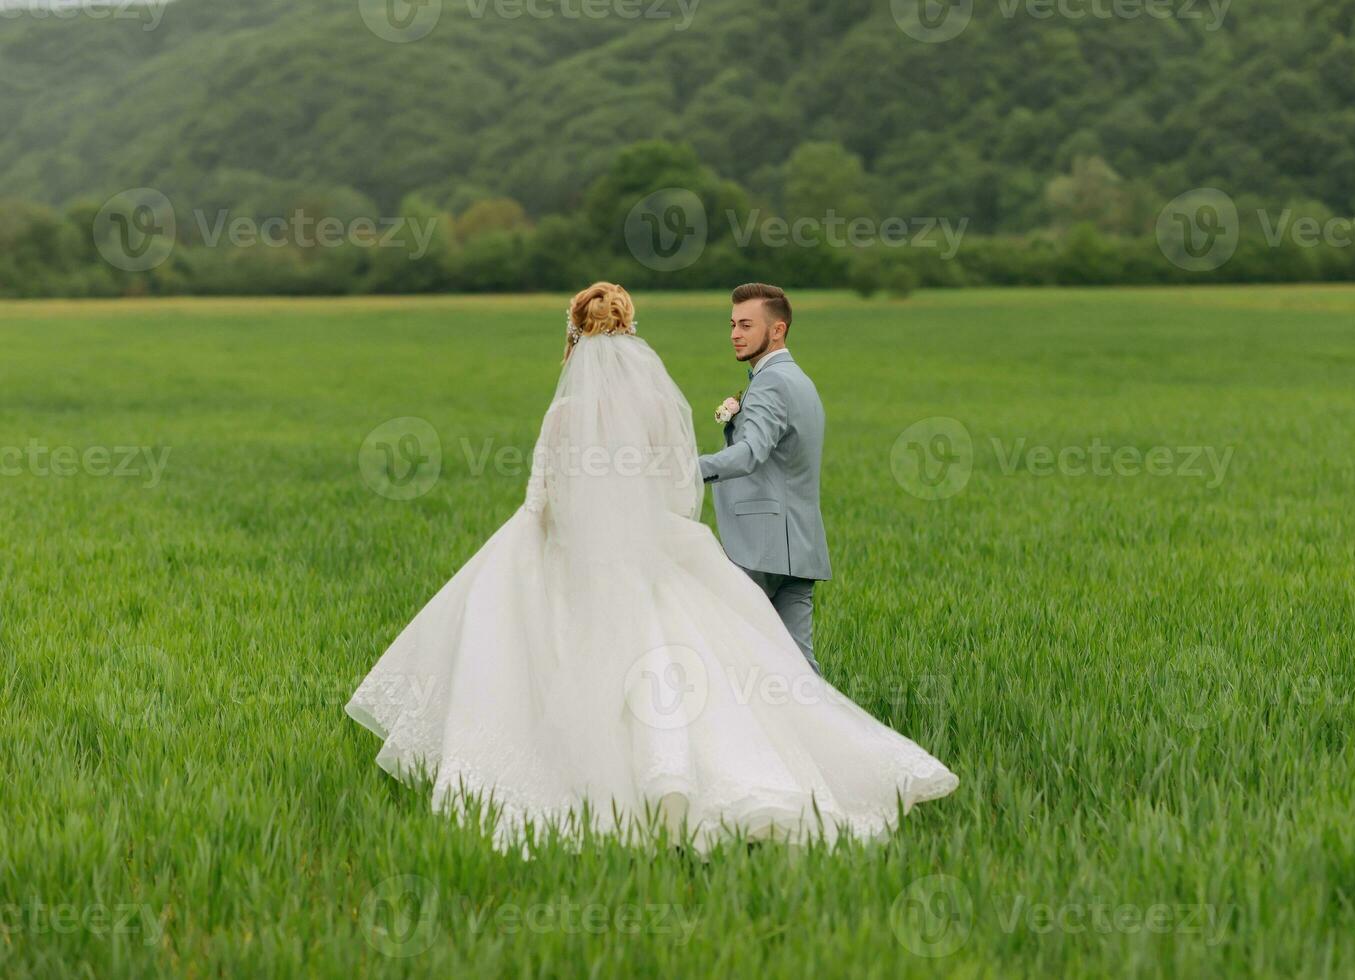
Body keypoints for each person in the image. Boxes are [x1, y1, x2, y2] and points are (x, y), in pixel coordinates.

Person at [345, 282, 956, 853]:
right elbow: (673, 482)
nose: (736, 332)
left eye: (744, 324)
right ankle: (795, 760)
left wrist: (541, 537)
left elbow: (542, 497)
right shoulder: (659, 405)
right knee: (735, 662)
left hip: (581, 554)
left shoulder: (565, 415)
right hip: (657, 552)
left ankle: (579, 778)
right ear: (631, 328)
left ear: (576, 335)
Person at [699, 283, 828, 674]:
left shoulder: (770, 382)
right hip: (801, 549)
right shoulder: (801, 381)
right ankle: (823, 735)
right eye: (733, 324)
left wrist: (686, 470)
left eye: (746, 325)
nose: (735, 334)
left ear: (777, 330)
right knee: (800, 668)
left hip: (759, 547)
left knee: (730, 663)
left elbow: (751, 451)